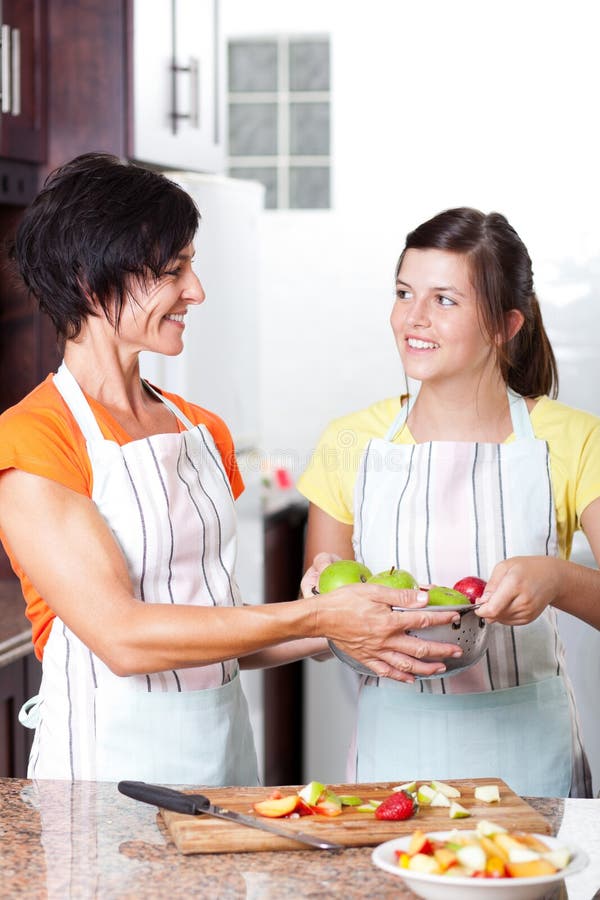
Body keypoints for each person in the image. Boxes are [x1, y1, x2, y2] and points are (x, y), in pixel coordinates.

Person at [0, 154, 461, 785]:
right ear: (89, 280)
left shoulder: (200, 428)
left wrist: (357, 629)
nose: (197, 291)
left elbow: (218, 620)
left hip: (224, 767)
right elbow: (124, 636)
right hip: (103, 780)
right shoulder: (34, 438)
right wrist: (319, 618)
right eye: (173, 270)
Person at [297, 207, 600, 798]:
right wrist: (320, 612)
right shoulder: (348, 443)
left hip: (531, 768)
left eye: (445, 300)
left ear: (504, 325)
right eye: (404, 292)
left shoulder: (574, 439)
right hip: (393, 764)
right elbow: (318, 633)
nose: (413, 317)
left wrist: (559, 580)